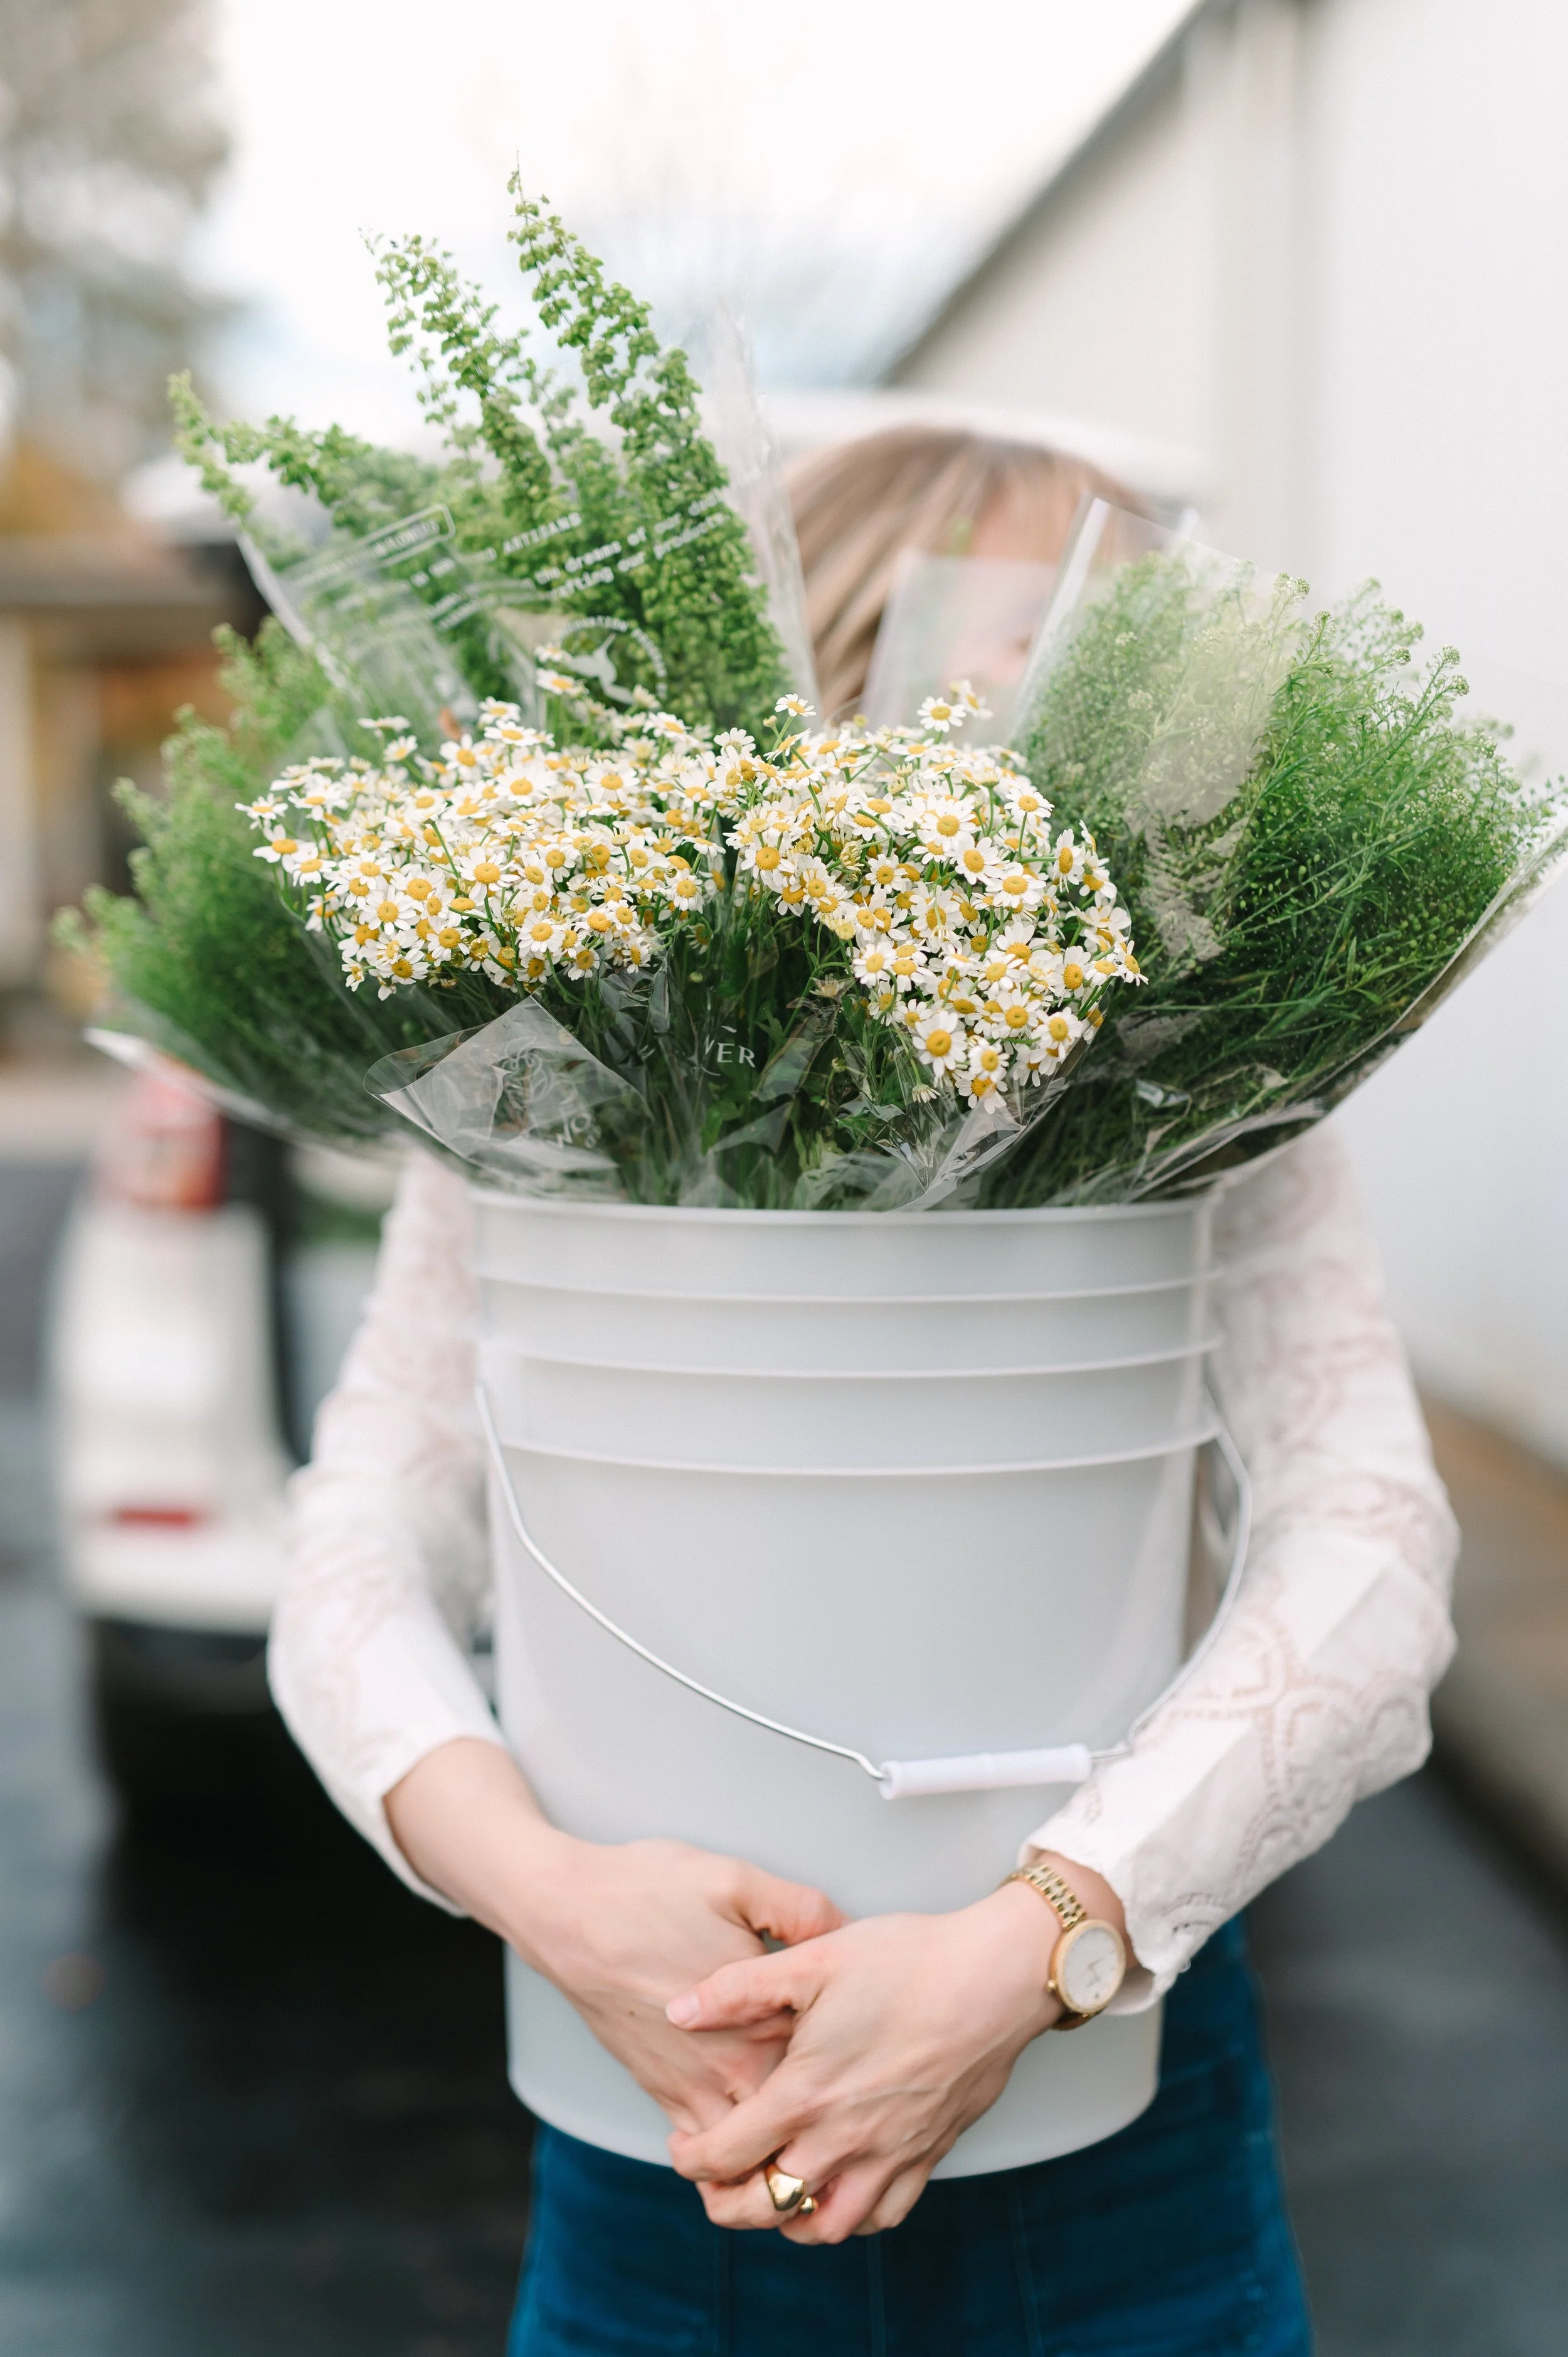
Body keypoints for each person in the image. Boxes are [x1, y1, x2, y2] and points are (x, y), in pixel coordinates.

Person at [269, 425, 1457, 2354]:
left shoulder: (1209, 1080)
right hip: (659, 2112)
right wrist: (545, 1891)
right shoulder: (541, 1059)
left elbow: (1372, 1556)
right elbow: (358, 1536)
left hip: (1111, 2144)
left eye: (1107, 672)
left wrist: (1041, 1935)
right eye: (995, 654)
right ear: (806, 673)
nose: (1057, 724)